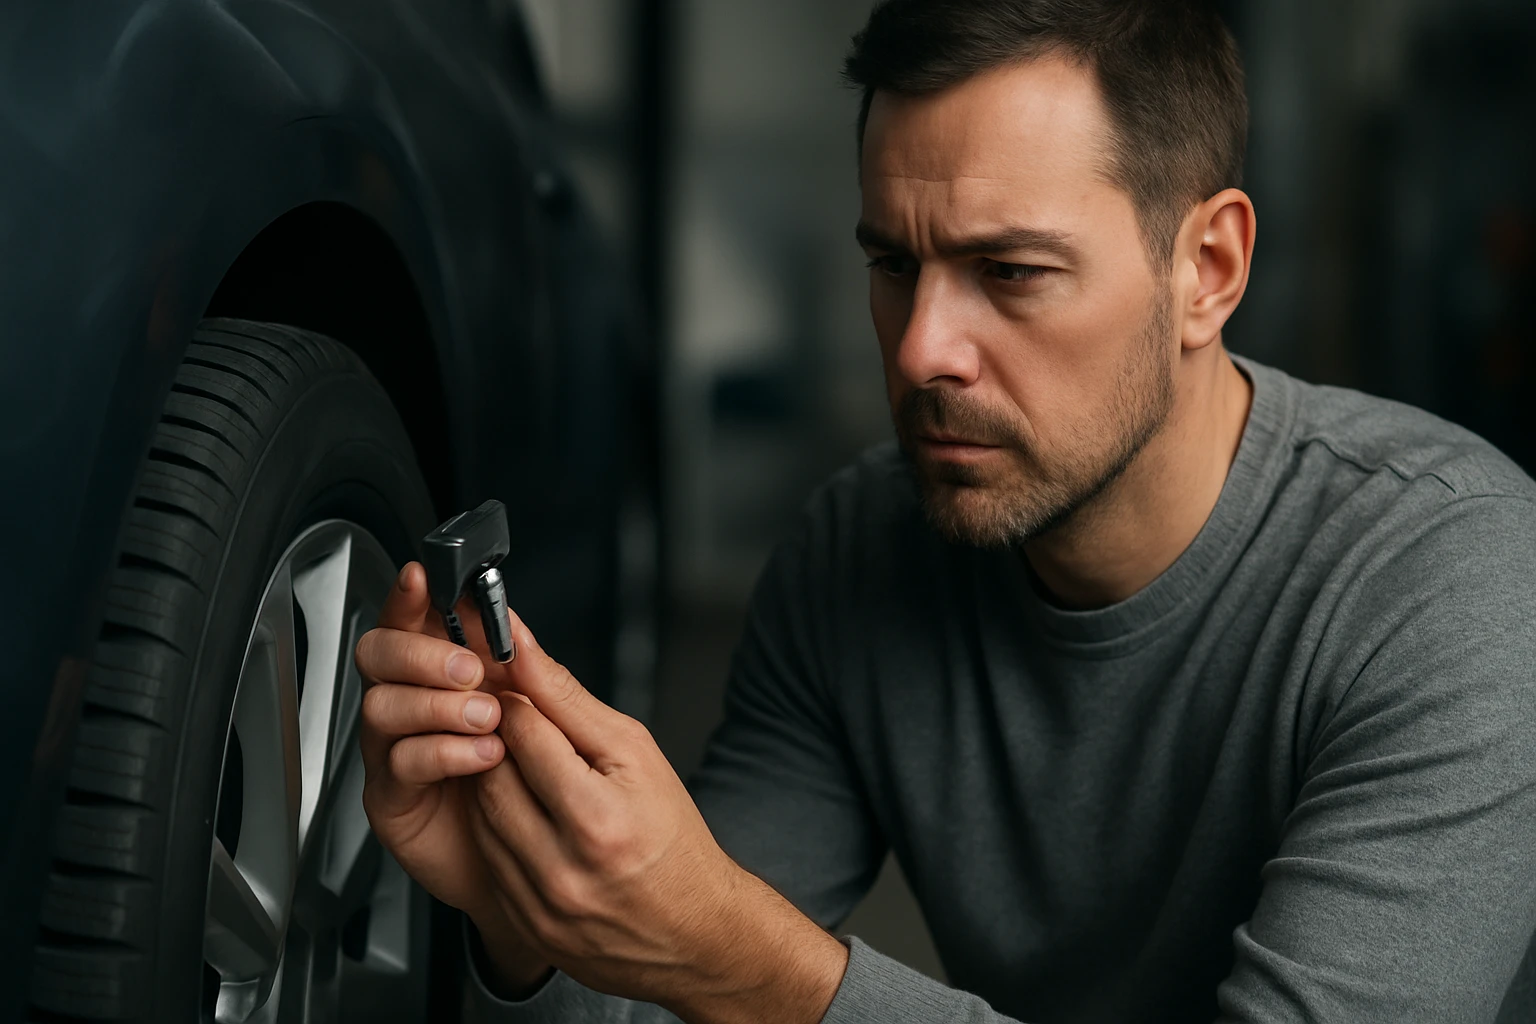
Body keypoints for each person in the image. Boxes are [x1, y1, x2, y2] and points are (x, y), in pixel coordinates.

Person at [353, 1, 1536, 1021]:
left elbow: (724, 961)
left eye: (1010, 272)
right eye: (893, 265)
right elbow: (674, 989)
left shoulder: (1460, 582)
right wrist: (527, 916)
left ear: (1209, 269)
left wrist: (754, 962)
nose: (923, 351)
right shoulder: (859, 550)